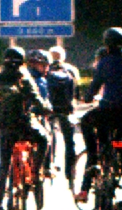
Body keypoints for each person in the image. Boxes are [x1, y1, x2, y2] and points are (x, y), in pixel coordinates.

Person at [77, 27, 122, 208]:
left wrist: (87, 97)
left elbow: (95, 85)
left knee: (86, 122)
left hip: (110, 111)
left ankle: (94, 152)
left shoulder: (105, 62)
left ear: (106, 43)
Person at [0, 46, 50, 210]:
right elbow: (37, 99)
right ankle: (36, 173)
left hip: (5, 129)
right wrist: (46, 109)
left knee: (3, 166)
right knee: (44, 139)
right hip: (25, 126)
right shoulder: (24, 78)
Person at [45, 46, 80, 187]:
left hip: (50, 108)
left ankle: (49, 165)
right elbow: (76, 91)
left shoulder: (46, 69)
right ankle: (70, 172)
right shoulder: (71, 70)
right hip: (67, 109)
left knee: (50, 135)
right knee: (69, 141)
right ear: (63, 57)